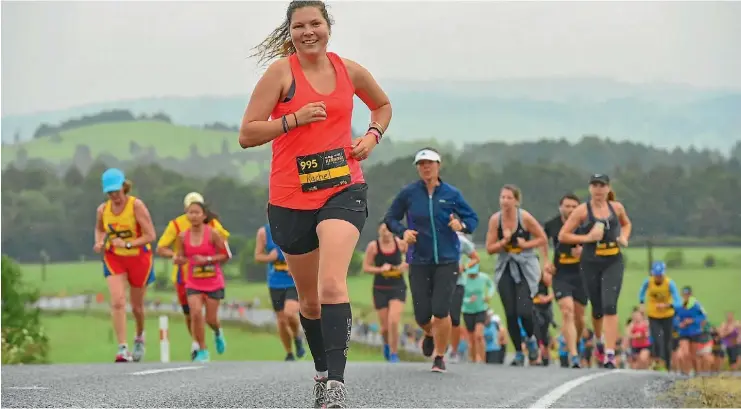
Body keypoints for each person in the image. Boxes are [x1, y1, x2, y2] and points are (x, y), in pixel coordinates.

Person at [242, 1, 392, 405]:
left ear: (329, 27)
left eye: (315, 23)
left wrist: (371, 137)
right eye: (299, 26)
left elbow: (382, 104)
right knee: (308, 299)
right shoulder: (280, 73)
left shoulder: (350, 70)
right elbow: (248, 133)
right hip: (291, 198)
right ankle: (321, 371)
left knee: (331, 283)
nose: (308, 31)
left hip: (343, 188)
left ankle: (337, 383)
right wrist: (294, 119)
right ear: (289, 31)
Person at [384, 147, 479, 373]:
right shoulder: (408, 193)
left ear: (439, 165)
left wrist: (462, 226)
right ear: (418, 168)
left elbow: (472, 217)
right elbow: (390, 218)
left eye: (430, 163)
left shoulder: (451, 194)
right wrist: (402, 232)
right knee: (422, 314)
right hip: (418, 259)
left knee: (441, 310)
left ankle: (439, 356)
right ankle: (428, 332)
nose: (426, 167)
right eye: (421, 164)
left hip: (447, 260)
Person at [558, 173, 632, 369]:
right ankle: (598, 339)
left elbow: (626, 223)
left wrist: (624, 237)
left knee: (610, 306)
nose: (598, 190)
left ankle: (609, 354)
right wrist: (588, 238)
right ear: (590, 188)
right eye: (595, 185)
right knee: (597, 308)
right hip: (590, 262)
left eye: (602, 186)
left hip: (613, 261)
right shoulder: (582, 211)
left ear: (608, 188)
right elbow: (563, 235)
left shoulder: (616, 208)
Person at [156, 192, 232, 361]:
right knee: (195, 313)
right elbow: (178, 255)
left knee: (211, 319)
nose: (193, 216)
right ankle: (202, 349)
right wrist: (177, 258)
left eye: (197, 212)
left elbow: (226, 255)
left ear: (204, 215)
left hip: (212, 280)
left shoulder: (213, 231)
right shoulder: (182, 235)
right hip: (193, 281)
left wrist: (208, 259)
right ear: (186, 213)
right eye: (190, 212)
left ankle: (217, 332)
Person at [93, 168, 156, 363]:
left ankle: (139, 335)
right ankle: (122, 348)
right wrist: (100, 241)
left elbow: (150, 236)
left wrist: (128, 243)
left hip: (139, 259)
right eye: (110, 193)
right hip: (115, 258)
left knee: (137, 307)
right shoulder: (103, 210)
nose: (114, 196)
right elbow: (100, 228)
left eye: (117, 191)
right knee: (118, 301)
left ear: (124, 187)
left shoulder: (136, 206)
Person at [485, 184, 548, 366]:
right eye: (502, 197)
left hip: (525, 266)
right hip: (505, 266)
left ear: (516, 201)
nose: (505, 201)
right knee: (510, 313)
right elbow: (489, 248)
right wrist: (503, 242)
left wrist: (525, 244)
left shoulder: (525, 217)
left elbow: (542, 238)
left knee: (524, 310)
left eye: (509, 198)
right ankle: (519, 352)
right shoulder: (495, 221)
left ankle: (531, 340)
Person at [543, 193, 587, 368]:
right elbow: (541, 239)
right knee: (566, 311)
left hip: (582, 274)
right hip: (561, 274)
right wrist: (545, 261)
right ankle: (574, 355)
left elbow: (597, 243)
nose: (570, 209)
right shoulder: (553, 224)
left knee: (579, 318)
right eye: (567, 206)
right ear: (560, 207)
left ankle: (573, 342)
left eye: (573, 206)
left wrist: (584, 252)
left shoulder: (586, 223)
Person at [255, 221, 307, 362]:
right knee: (281, 320)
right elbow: (258, 256)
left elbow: (309, 251)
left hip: (294, 281)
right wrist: (269, 258)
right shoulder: (264, 232)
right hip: (275, 282)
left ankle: (297, 337)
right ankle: (289, 353)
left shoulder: (297, 228)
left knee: (289, 313)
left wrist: (298, 266)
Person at [362, 221, 409, 363]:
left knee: (394, 320)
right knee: (384, 328)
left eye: (388, 230)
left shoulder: (400, 243)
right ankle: (387, 345)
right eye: (383, 230)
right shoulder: (373, 246)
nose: (386, 233)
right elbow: (366, 267)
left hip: (398, 287)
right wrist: (380, 269)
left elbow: (412, 256)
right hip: (380, 289)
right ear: (379, 231)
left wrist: (403, 265)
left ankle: (394, 353)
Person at [638, 260, 681, 371]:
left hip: (667, 316)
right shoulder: (648, 281)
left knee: (667, 341)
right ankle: (659, 361)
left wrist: (667, 305)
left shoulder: (669, 283)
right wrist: (642, 303)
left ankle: (667, 365)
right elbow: (641, 292)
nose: (658, 278)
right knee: (657, 339)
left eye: (660, 275)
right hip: (653, 315)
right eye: (656, 275)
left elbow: (678, 301)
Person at [449, 231, 481, 363]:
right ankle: (439, 346)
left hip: (457, 283)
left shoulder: (461, 241)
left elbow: (475, 257)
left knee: (454, 318)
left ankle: (454, 351)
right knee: (438, 315)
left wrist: (465, 266)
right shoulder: (436, 236)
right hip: (439, 282)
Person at [460, 264, 494, 363]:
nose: (472, 276)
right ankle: (473, 360)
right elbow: (459, 296)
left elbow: (491, 285)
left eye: (474, 274)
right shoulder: (463, 280)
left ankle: (483, 360)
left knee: (479, 335)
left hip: (481, 309)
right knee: (471, 339)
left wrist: (489, 295)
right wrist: (468, 300)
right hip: (467, 311)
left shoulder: (483, 277)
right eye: (470, 274)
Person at [674, 286, 712, 375]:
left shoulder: (696, 304)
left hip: (694, 332)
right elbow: (673, 317)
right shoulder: (679, 305)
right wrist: (678, 324)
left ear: (691, 294)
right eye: (684, 294)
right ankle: (685, 373)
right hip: (683, 332)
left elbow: (703, 316)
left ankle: (697, 373)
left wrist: (692, 320)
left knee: (693, 355)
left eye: (688, 294)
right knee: (685, 353)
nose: (686, 296)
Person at [532, 274, 555, 366]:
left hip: (546, 309)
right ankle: (539, 356)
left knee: (545, 332)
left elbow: (556, 289)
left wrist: (548, 298)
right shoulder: (533, 280)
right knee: (537, 331)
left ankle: (545, 354)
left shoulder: (547, 281)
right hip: (535, 308)